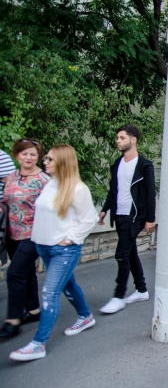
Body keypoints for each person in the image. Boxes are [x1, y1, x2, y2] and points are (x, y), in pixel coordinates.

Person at [10, 145, 97, 361]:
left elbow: (90, 219)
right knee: (68, 284)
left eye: (49, 159)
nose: (45, 162)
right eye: (46, 158)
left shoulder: (78, 189)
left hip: (63, 251)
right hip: (44, 246)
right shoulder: (51, 184)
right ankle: (85, 316)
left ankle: (38, 344)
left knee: (49, 293)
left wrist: (70, 239)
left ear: (63, 162)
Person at [97, 124, 156, 315]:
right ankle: (141, 290)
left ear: (133, 140)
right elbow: (113, 189)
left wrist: (150, 219)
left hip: (135, 216)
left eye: (121, 138)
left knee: (121, 254)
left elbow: (149, 194)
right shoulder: (117, 164)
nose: (118, 141)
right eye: (117, 138)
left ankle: (118, 296)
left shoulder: (144, 165)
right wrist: (105, 209)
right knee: (130, 253)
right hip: (119, 214)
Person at [0, 139, 49, 339]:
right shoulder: (10, 177)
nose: (28, 157)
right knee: (27, 272)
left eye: (32, 154)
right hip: (12, 233)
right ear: (17, 156)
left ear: (38, 157)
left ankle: (13, 321)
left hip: (33, 234)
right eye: (24, 154)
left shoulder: (44, 180)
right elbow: (6, 200)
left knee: (14, 274)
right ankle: (34, 310)